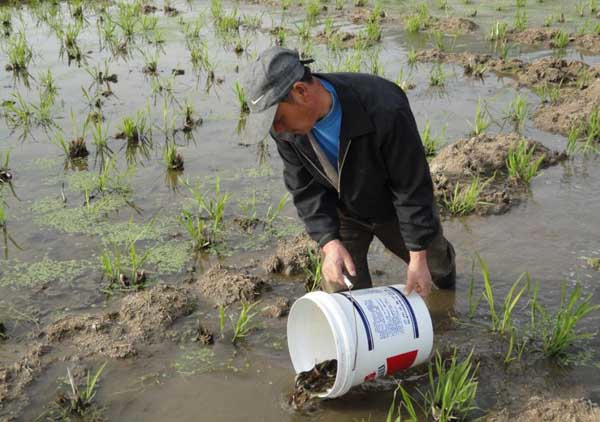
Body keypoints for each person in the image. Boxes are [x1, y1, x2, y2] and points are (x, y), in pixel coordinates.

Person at [242, 47, 455, 297]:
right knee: (340, 288)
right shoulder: (285, 131)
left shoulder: (384, 105)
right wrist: (329, 242)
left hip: (394, 207)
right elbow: (304, 189)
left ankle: (448, 297)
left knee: (435, 267)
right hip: (344, 211)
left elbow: (411, 185)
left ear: (301, 92)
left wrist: (418, 256)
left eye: (277, 118)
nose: (277, 130)